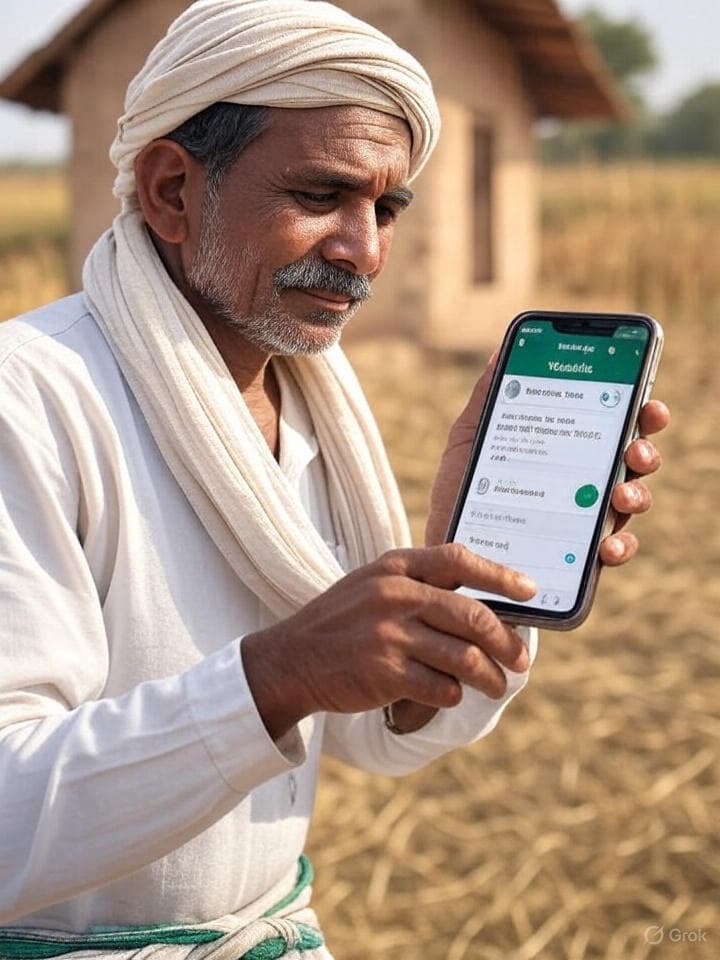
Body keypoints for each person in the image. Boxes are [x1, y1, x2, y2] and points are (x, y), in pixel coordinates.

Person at [0, 1, 669, 957]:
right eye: (321, 196)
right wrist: (279, 673)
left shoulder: (307, 399)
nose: (365, 252)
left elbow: (373, 736)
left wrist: (469, 569)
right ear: (172, 190)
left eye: (386, 210)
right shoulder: (29, 400)